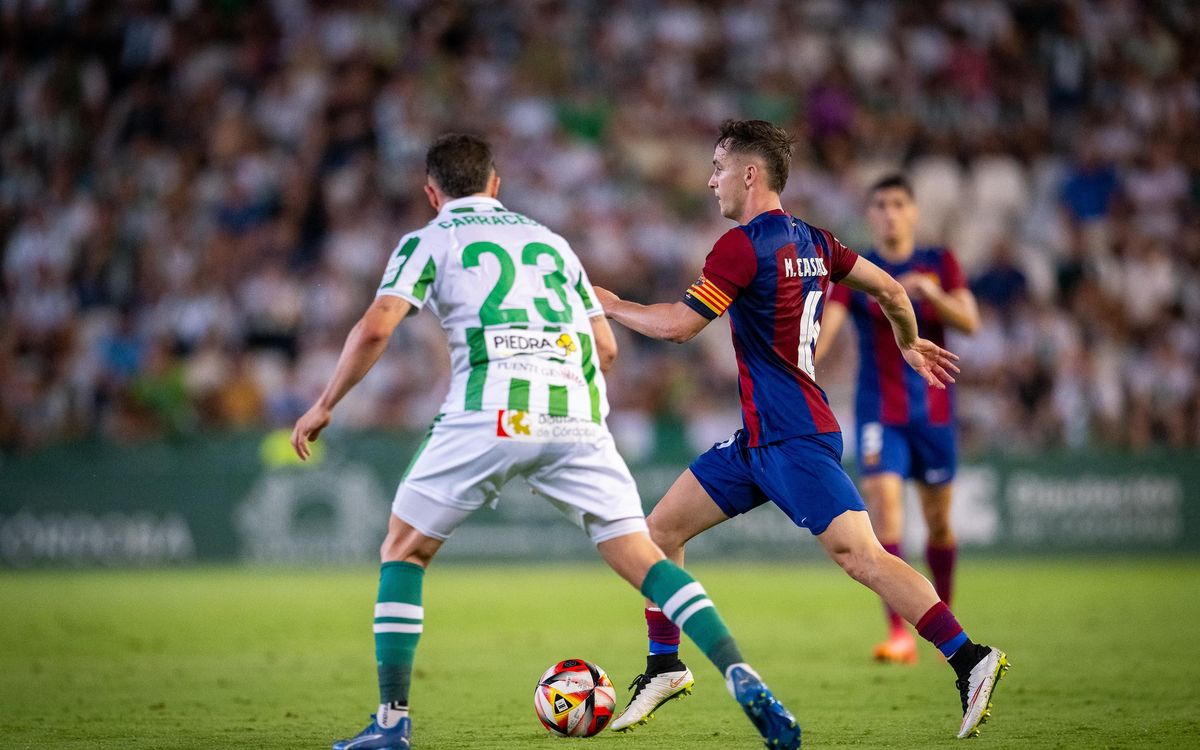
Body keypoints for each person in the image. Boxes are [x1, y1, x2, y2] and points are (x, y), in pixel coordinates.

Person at [290, 133, 802, 750]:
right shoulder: (550, 243)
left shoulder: (428, 240)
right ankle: (741, 673)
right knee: (647, 561)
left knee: (404, 550)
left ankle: (392, 723)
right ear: (495, 184)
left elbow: (377, 327)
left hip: (486, 410)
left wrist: (325, 404)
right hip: (575, 416)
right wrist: (563, 425)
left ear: (432, 194)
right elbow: (606, 347)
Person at [595, 120, 1007, 741]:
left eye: (718, 168)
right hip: (759, 441)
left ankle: (970, 658)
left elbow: (679, 326)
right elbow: (890, 288)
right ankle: (664, 665)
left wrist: (610, 304)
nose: (710, 180)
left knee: (863, 557)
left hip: (793, 439)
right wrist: (908, 340)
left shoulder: (740, 246)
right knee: (659, 531)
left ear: (749, 174)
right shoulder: (817, 240)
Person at [815, 174, 981, 664]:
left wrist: (929, 293)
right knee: (885, 512)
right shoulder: (858, 271)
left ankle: (942, 621)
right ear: (870, 214)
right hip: (878, 413)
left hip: (934, 411)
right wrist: (796, 363)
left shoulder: (938, 263)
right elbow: (827, 330)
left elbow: (970, 321)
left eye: (897, 204)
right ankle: (900, 634)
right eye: (880, 204)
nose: (889, 213)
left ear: (913, 212)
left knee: (938, 523)